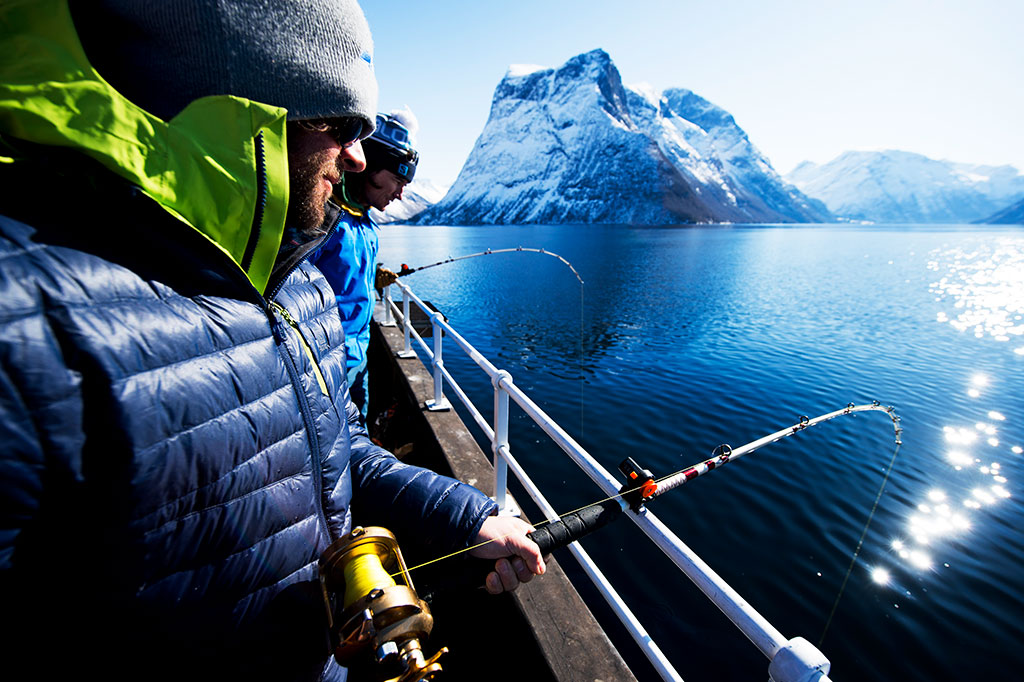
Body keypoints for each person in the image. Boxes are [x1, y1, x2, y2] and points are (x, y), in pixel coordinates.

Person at [0, 1, 542, 680]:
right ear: (245, 111)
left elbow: (338, 448)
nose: (354, 156)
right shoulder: (23, 320)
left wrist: (463, 518)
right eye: (339, 124)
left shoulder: (297, 290)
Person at [311, 109, 420, 418]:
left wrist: (373, 278)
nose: (399, 194)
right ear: (368, 163)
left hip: (359, 357)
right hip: (325, 368)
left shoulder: (366, 225)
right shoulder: (323, 221)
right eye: (397, 180)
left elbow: (341, 281)